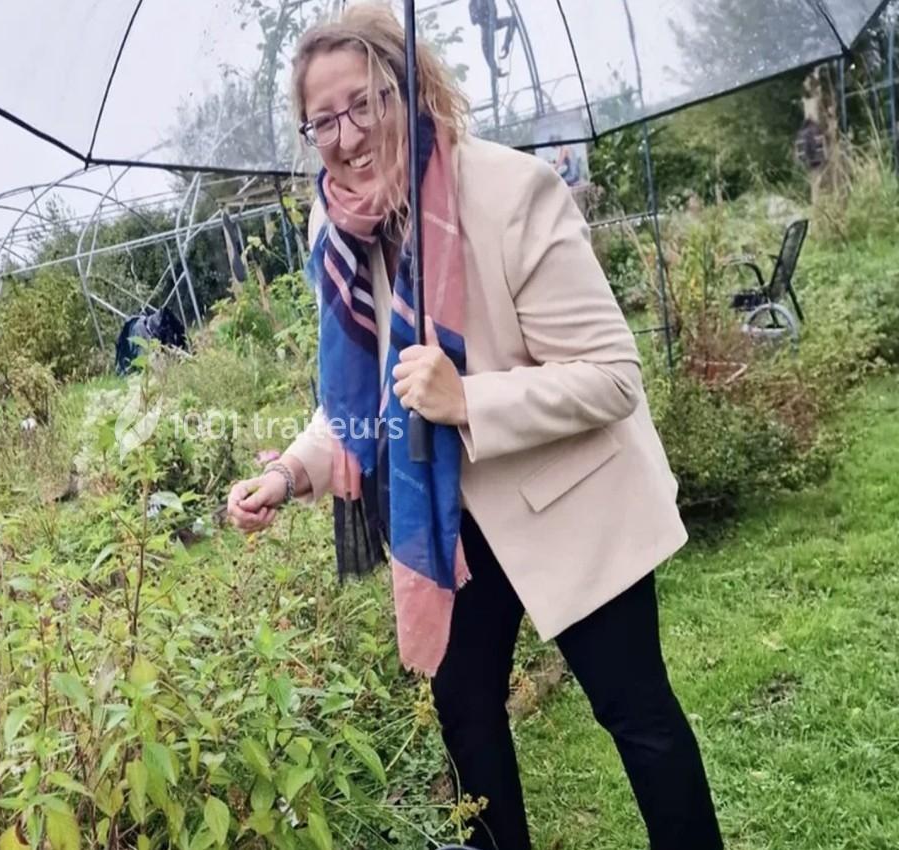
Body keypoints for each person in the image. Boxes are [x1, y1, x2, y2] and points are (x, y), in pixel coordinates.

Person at [224, 5, 724, 850]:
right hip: (446, 517)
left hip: (567, 497)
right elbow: (362, 392)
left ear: (408, 88)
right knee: (465, 720)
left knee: (636, 713)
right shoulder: (335, 229)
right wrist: (294, 472)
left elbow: (612, 376)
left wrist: (469, 401)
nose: (346, 137)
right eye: (322, 120)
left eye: (365, 102)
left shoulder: (510, 191)